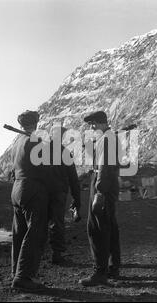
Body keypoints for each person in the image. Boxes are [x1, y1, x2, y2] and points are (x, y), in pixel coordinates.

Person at [79, 111, 121, 286]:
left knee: (97, 229)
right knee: (109, 225)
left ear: (100, 123)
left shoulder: (106, 139)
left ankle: (100, 272)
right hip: (109, 185)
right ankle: (113, 266)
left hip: (103, 184)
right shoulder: (109, 138)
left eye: (93, 124)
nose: (91, 127)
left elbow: (103, 167)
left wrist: (99, 191)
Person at [10, 110, 49, 291]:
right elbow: (44, 169)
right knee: (34, 233)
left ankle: (15, 272)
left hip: (16, 189)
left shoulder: (16, 142)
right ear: (36, 123)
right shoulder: (33, 141)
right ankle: (23, 277)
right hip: (32, 189)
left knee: (19, 232)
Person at [47, 125, 81, 264]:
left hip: (41, 193)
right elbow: (73, 179)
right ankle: (57, 254)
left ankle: (34, 254)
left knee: (37, 223)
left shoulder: (39, 151)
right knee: (57, 223)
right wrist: (77, 200)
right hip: (58, 194)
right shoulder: (65, 153)